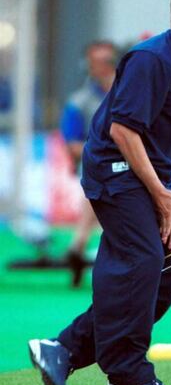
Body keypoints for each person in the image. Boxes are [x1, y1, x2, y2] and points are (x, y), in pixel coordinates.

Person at [28, 0, 171, 385]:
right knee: (141, 260)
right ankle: (128, 375)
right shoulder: (152, 59)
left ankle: (62, 349)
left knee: (163, 282)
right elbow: (123, 130)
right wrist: (160, 193)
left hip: (153, 181)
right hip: (115, 169)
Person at [60, 41, 118, 285]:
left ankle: (79, 244)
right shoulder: (78, 102)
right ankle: (80, 244)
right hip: (96, 163)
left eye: (107, 61)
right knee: (100, 174)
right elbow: (72, 144)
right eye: (97, 62)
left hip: (134, 163)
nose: (103, 67)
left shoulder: (131, 94)